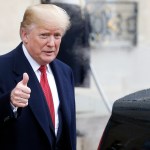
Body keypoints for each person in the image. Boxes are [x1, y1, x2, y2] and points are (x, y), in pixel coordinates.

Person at [0, 4, 76, 150]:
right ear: (24, 35)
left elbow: (69, 131)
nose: (52, 44)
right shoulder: (2, 68)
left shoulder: (65, 72)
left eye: (57, 35)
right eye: (44, 35)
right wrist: (9, 102)